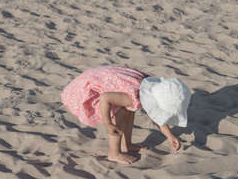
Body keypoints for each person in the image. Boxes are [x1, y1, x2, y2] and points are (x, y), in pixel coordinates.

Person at [61, 66, 191, 164]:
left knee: (129, 108)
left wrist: (169, 135)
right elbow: (105, 98)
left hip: (101, 79)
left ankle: (126, 145)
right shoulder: (132, 95)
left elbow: (155, 115)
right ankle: (114, 153)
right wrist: (108, 124)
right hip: (86, 88)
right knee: (121, 112)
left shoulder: (151, 87)